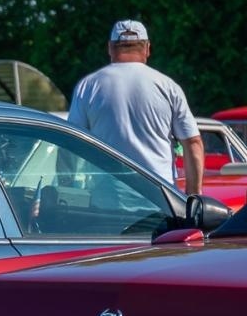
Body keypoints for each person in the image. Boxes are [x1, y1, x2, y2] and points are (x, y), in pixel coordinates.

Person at [67, 19, 203, 197]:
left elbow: (70, 145)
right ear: (147, 48)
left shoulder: (88, 86)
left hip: (106, 200)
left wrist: (67, 190)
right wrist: (193, 196)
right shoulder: (168, 86)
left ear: (110, 48)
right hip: (161, 200)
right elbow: (193, 143)